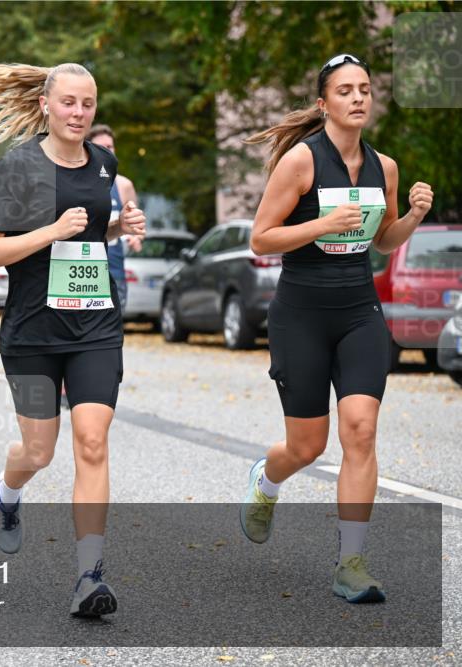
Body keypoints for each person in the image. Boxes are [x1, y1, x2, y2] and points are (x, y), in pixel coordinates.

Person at [240, 54, 434, 603]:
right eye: (345, 90)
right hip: (301, 312)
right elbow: (260, 238)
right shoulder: (301, 162)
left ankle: (351, 562)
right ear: (324, 104)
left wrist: (413, 216)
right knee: (307, 445)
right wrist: (320, 224)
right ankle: (267, 480)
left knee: (361, 431)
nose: (358, 98)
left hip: (358, 312)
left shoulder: (384, 168)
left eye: (366, 90)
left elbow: (382, 241)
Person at [0, 62, 146, 617]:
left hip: (94, 325)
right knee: (39, 450)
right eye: (68, 103)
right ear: (45, 104)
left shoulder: (106, 165)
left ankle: (89, 574)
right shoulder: (18, 168)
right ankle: (8, 493)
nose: (78, 113)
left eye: (87, 104)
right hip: (31, 334)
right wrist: (48, 231)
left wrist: (118, 228)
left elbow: (86, 231)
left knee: (92, 441)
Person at [87, 124, 142, 308]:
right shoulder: (77, 183)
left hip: (115, 271)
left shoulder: (124, 185)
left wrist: (136, 238)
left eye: (110, 147)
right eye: (101, 147)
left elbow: (137, 226)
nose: (107, 151)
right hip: (83, 272)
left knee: (112, 333)